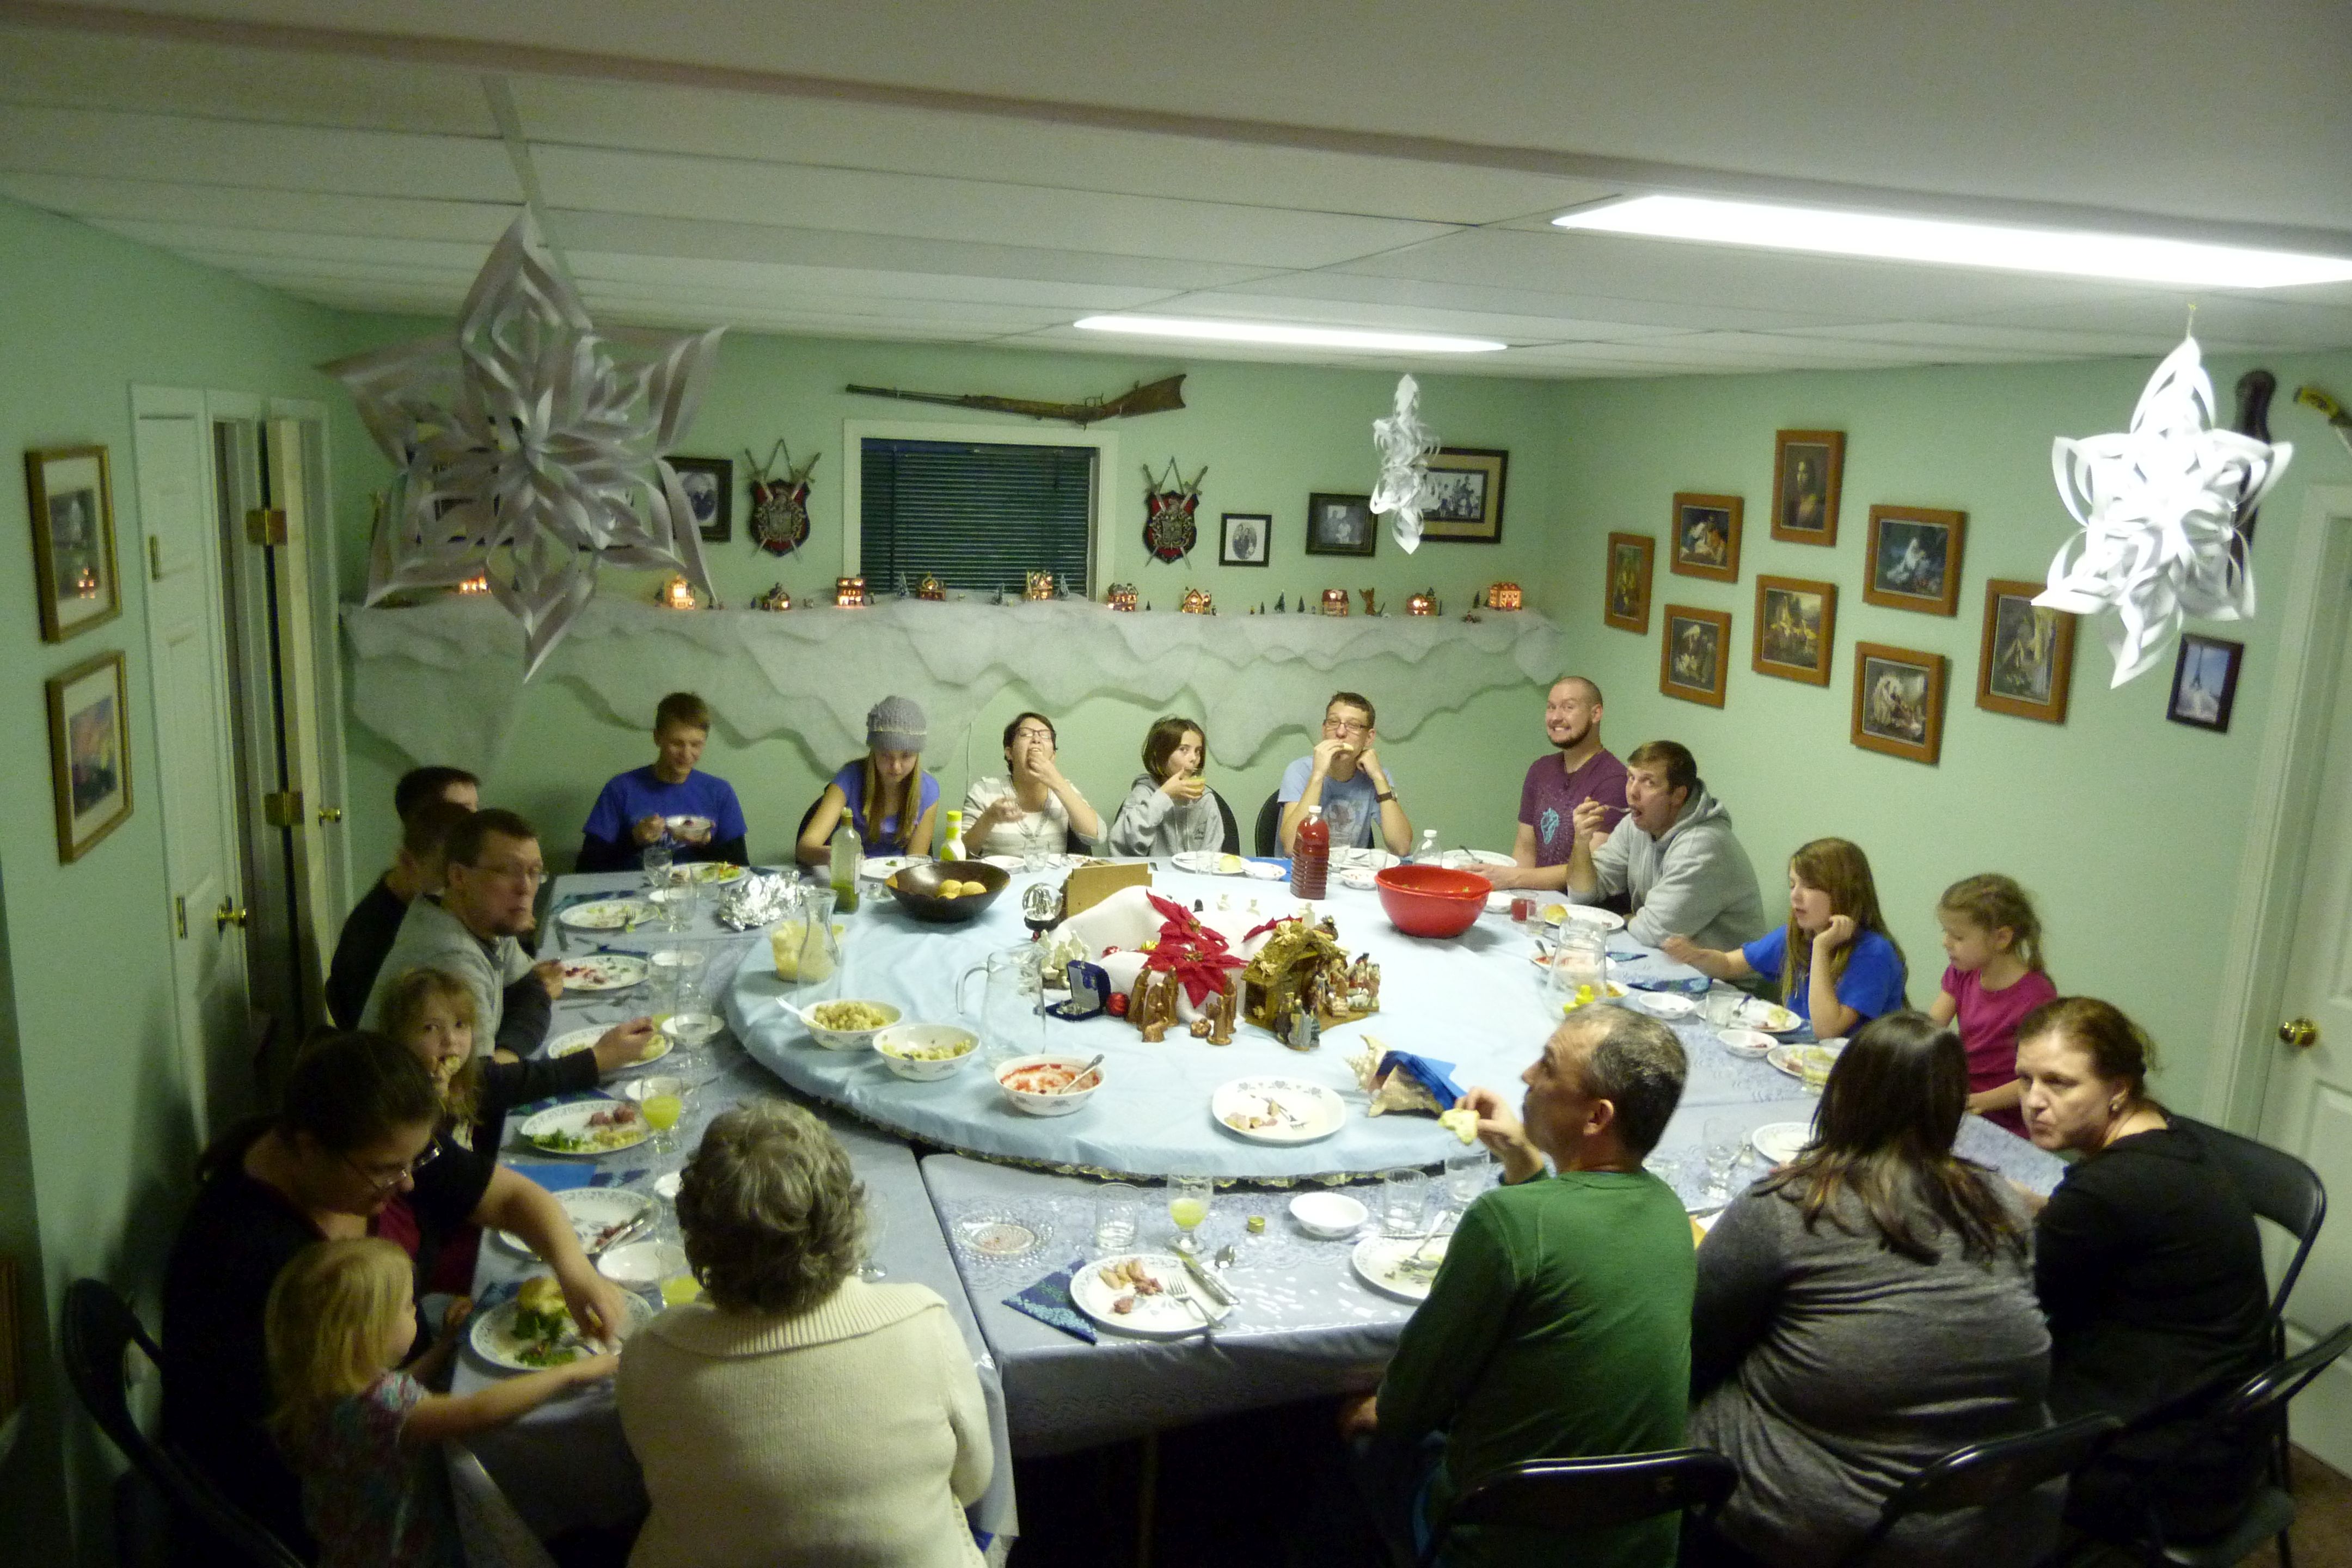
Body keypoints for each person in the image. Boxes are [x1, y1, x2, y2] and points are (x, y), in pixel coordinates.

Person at [163, 1032, 629, 1555]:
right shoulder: (251, 1261)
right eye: (389, 1170)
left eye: (417, 1158)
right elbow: (289, 1452)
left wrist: (573, 1270)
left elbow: (514, 1196)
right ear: (310, 1148)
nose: (408, 1183)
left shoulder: (376, 1148)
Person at [1687, 1013, 2054, 1567]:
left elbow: (1692, 1344)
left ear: (1842, 1094)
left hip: (1822, 1528)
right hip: (1982, 1521)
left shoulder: (1790, 1208)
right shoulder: (2000, 1202)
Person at [1338, 1007, 1693, 1568]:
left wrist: (1374, 1409)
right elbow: (1569, 1233)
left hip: (1491, 1543)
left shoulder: (1503, 1224)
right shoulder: (1672, 1216)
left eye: (1548, 1068)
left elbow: (1406, 1407)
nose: (1527, 1077)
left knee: (1346, 1415)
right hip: (1634, 1548)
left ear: (1597, 1116)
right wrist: (1523, 1155)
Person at [618, 1101, 993, 1567]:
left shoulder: (651, 1351)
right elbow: (975, 1482)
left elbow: (655, 1478)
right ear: (847, 1212)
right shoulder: (922, 1321)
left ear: (695, 1236)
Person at [2014, 997, 2270, 1541]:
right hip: (2226, 1425)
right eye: (2025, 1079)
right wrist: (2049, 1210)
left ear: (2118, 1088)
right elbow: (2114, 1228)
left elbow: (2013, 1302)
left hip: (2169, 1469)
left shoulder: (2109, 1190)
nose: (2034, 1102)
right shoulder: (2167, 1136)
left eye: (2060, 1084)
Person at [264, 1238, 616, 1568]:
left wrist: (445, 1344)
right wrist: (573, 1374)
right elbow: (479, 1410)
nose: (416, 1311)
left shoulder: (317, 1387)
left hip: (347, 1548)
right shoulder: (386, 1407)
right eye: (407, 1306)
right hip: (406, 1555)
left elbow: (399, 1389)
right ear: (370, 1333)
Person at [378, 965, 653, 1161]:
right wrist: (432, 1110)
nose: (450, 1040)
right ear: (398, 1040)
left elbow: (507, 1086)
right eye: (430, 1028)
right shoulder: (406, 1102)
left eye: (460, 1025)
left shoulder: (466, 1081)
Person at [360, 808, 558, 1058]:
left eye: (534, 872)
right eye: (507, 871)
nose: (525, 887)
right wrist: (596, 1060)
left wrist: (509, 1051)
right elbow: (482, 1086)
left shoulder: (485, 917)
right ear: (459, 877)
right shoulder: (451, 956)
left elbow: (529, 986)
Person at [1663, 838, 1906, 1037]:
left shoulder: (1874, 952)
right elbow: (1729, 965)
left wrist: (1821, 949)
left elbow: (1827, 1030)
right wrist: (1697, 955)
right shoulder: (1797, 936)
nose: (1795, 896)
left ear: (1845, 893)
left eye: (1809, 887)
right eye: (1792, 885)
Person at [1564, 740, 1766, 952]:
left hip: (1722, 981)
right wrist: (1581, 842)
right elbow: (1583, 894)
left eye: (1648, 782)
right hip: (1667, 961)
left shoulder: (1702, 847)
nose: (1633, 792)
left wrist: (1628, 919)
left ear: (1679, 796)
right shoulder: (1637, 825)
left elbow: (1654, 933)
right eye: (1631, 778)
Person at [326, 797, 472, 1030]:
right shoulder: (376, 937)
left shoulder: (417, 907)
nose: (461, 892)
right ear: (406, 862)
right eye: (447, 880)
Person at [1928, 874, 2057, 1135]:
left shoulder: (2036, 997)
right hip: (1964, 1103)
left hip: (2007, 1122)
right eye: (1946, 933)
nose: (1946, 942)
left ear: (2001, 938)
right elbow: (1928, 1031)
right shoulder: (1962, 973)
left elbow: (2038, 1078)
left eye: (1958, 937)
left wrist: (1981, 1102)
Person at [578, 691, 749, 872]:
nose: (686, 754)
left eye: (696, 744)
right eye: (677, 743)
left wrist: (706, 843)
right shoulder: (620, 789)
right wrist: (634, 840)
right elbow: (586, 868)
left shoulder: (719, 792)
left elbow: (742, 867)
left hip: (701, 894)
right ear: (657, 737)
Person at [1487, 676, 1629, 892]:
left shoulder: (1614, 780)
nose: (1555, 717)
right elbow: (1525, 851)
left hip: (1584, 909)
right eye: (1551, 708)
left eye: (1568, 707)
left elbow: (1591, 868)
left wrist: (1512, 878)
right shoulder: (1540, 770)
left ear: (1596, 713)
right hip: (1534, 900)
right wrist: (1511, 891)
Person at [797, 696, 938, 864]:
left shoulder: (928, 791)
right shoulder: (848, 779)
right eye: (886, 755)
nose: (896, 767)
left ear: (917, 755)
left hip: (893, 880)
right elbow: (805, 849)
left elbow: (915, 865)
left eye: (906, 756)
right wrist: (832, 855)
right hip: (846, 877)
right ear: (874, 752)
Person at [1278, 691, 1411, 855]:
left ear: (1369, 738)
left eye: (1354, 726)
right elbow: (1292, 847)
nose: (1340, 733)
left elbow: (1402, 847)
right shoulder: (1299, 770)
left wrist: (1379, 777)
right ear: (1324, 729)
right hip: (1302, 873)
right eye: (1333, 722)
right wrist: (1318, 775)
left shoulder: (1376, 775)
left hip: (1350, 875)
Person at [963, 710, 1103, 857]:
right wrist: (989, 818)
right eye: (1025, 734)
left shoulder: (1064, 789)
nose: (1036, 739)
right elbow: (961, 854)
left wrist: (1057, 782)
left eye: (1045, 735)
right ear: (1009, 753)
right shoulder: (984, 790)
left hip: (1055, 879)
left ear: (1053, 756)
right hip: (1001, 878)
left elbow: (1097, 836)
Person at [1107, 715, 1229, 857]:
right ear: (1161, 754)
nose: (1194, 758)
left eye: (1198, 751)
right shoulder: (1144, 794)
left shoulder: (1205, 799)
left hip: (1196, 878)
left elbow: (1213, 853)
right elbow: (1123, 848)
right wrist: (1164, 796)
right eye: (1184, 750)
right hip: (1154, 877)